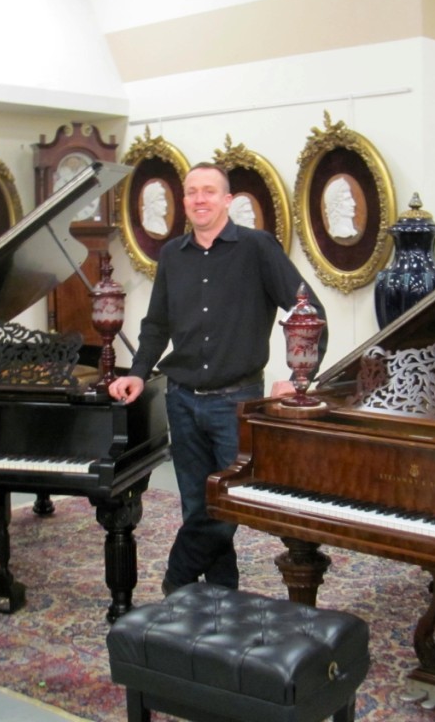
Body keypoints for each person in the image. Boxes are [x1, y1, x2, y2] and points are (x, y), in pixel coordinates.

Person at [109, 162, 327, 595]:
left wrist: (298, 377)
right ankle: (218, 594)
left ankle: (176, 583)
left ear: (228, 200)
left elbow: (309, 312)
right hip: (182, 399)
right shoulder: (172, 255)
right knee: (198, 506)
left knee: (230, 505)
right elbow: (156, 325)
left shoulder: (257, 248)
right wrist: (136, 373)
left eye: (209, 191)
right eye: (192, 192)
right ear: (184, 201)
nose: (199, 199)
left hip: (236, 402)